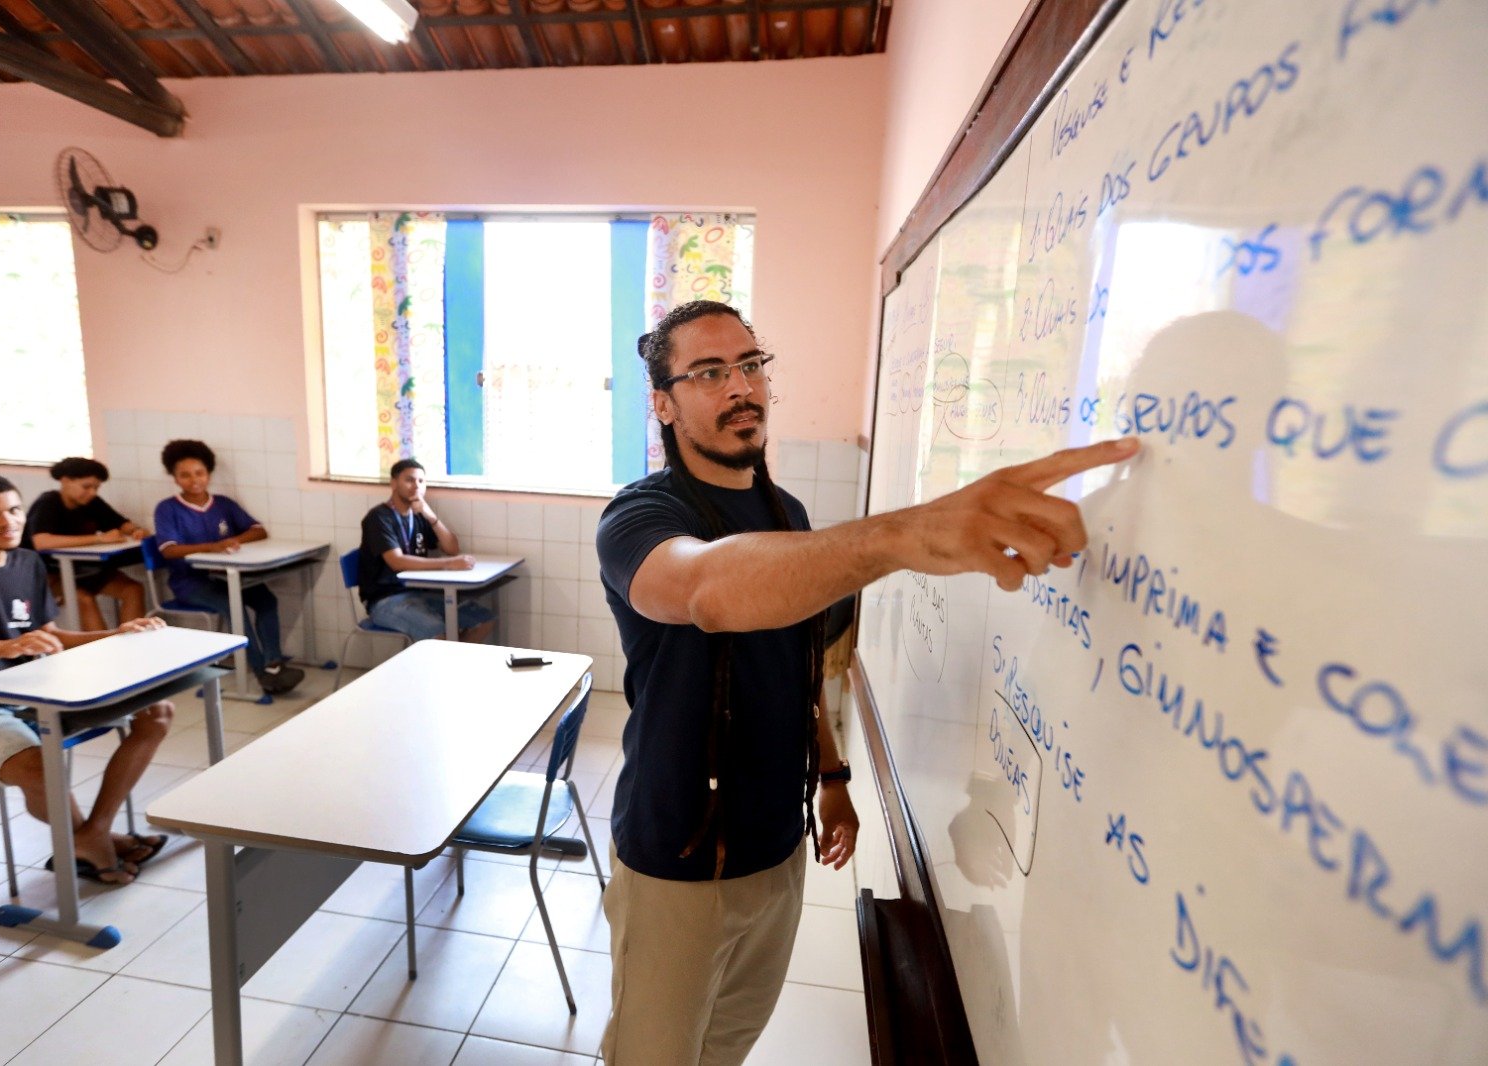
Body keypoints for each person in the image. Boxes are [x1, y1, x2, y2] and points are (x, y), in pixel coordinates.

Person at [595, 300, 1139, 1064]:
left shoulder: (787, 513)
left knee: (726, 1047)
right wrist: (902, 534)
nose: (740, 387)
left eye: (750, 365)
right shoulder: (639, 514)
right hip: (676, 858)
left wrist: (832, 776)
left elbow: (799, 667)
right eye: (709, 373)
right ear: (664, 403)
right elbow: (704, 591)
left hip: (777, 852)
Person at [0, 473, 174, 885]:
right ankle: (94, 843)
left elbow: (50, 636)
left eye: (14, 510)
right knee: (40, 767)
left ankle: (93, 834)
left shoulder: (27, 561)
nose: (7, 522)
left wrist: (116, 633)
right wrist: (6, 647)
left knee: (157, 711)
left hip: (34, 693)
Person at [152, 439, 304, 695]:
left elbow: (258, 530)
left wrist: (234, 541)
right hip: (190, 582)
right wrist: (212, 547)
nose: (194, 480)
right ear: (175, 478)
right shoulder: (168, 509)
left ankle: (274, 663)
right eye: (185, 475)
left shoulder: (223, 503)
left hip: (229, 576)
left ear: (209, 474)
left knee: (266, 600)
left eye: (199, 473)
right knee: (234, 607)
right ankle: (261, 672)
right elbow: (169, 550)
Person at [356, 459, 496, 642]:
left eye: (421, 481)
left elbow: (452, 548)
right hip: (385, 599)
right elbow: (397, 562)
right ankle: (446, 656)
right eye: (409, 480)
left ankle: (453, 659)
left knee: (484, 620)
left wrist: (430, 515)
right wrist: (448, 564)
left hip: (419, 593)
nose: (416, 486)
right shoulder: (379, 518)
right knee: (438, 633)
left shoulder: (418, 515)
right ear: (393, 483)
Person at [23, 456, 149, 630]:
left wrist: (136, 530)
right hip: (48, 575)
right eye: (86, 487)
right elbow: (42, 542)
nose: (92, 493)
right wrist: (99, 539)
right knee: (84, 600)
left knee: (133, 589)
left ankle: (134, 640)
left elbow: (121, 523)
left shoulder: (92, 503)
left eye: (96, 488)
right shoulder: (48, 503)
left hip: (84, 570)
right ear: (65, 481)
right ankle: (104, 646)